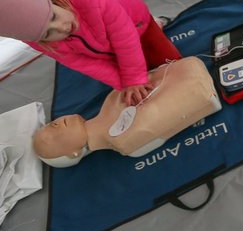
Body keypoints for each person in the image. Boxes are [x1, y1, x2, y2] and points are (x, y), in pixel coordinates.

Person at [0, 0, 181, 107]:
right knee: (138, 84)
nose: (62, 27)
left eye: (54, 16)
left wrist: (134, 79)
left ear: (52, 1)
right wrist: (125, 85)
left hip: (136, 25)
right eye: (48, 33)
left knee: (172, 65)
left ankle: (154, 23)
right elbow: (84, 63)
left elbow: (125, 40)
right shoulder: (36, 39)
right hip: (100, 48)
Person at [32, 56, 221, 167]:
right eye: (49, 138)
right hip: (198, 87)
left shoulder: (108, 105)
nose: (54, 125)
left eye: (48, 124)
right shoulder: (126, 143)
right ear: (74, 154)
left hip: (188, 72)